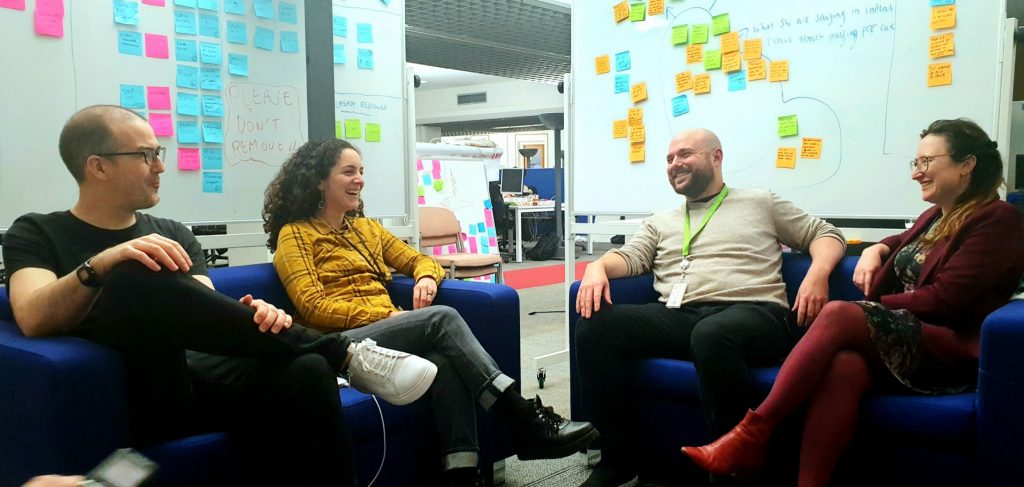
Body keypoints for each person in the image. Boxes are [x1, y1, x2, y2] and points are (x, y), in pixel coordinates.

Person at [2, 105, 439, 486]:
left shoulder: (172, 233)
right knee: (132, 272)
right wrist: (103, 263)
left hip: (202, 379)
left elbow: (199, 319)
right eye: (146, 155)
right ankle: (343, 354)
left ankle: (327, 358)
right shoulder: (37, 231)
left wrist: (250, 315)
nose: (160, 166)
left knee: (305, 371)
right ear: (97, 166)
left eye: (160, 153)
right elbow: (33, 316)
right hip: (139, 391)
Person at [681, 119, 1024, 486]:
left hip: (951, 352)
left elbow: (946, 300)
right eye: (916, 163)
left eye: (926, 162)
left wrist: (874, 306)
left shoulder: (997, 219)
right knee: (844, 365)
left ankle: (754, 432)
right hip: (914, 343)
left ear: (967, 164)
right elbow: (902, 241)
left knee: (842, 313)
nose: (917, 174)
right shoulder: (936, 216)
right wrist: (877, 247)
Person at [262, 138, 599, 487]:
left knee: (444, 362)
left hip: (383, 330)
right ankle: (522, 418)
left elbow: (419, 259)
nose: (359, 179)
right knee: (441, 317)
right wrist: (387, 316)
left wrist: (425, 275)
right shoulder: (295, 235)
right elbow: (314, 306)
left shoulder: (366, 228)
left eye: (361, 171)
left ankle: (462, 475)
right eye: (348, 172)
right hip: (339, 345)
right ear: (319, 180)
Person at [574, 128, 846, 486]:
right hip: (682, 314)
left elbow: (825, 234)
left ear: (716, 157)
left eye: (685, 154)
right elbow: (632, 258)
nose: (674, 164)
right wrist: (597, 267)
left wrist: (817, 273)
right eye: (669, 159)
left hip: (755, 312)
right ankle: (618, 456)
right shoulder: (661, 221)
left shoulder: (759, 202)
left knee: (713, 335)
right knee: (596, 325)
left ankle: (731, 470)